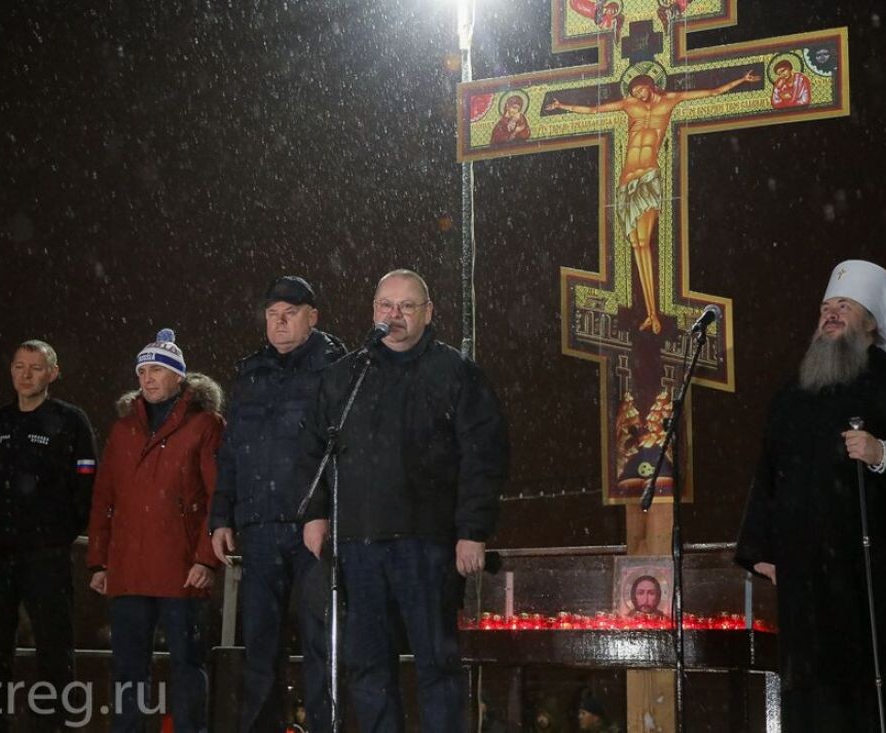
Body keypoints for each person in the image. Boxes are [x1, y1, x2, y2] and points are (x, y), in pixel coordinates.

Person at [735, 260, 886, 732]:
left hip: (879, 583)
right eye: (825, 307)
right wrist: (762, 549)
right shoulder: (793, 392)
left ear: (872, 322)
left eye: (844, 305)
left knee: (880, 701)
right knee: (816, 704)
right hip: (809, 589)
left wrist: (884, 455)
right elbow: (769, 472)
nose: (831, 314)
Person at [297, 269, 509, 733]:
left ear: (428, 313)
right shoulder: (345, 377)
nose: (394, 315)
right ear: (373, 310)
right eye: (385, 305)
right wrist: (315, 513)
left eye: (406, 306)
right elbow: (315, 449)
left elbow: (483, 456)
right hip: (358, 544)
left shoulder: (455, 374)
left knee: (437, 663)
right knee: (367, 665)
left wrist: (473, 530)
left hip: (427, 543)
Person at [209, 276, 345, 732]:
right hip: (260, 526)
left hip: (314, 529)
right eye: (272, 314)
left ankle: (326, 726)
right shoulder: (250, 373)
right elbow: (231, 451)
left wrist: (325, 511)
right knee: (259, 647)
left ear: (313, 317)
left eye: (290, 313)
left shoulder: (337, 369)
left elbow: (344, 451)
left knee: (321, 643)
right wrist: (221, 517)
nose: (279, 322)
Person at [547, 69, 759, 334]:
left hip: (647, 177)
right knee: (635, 244)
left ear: (650, 85)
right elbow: (592, 110)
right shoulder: (629, 105)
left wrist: (741, 80)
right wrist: (562, 105)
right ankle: (650, 314)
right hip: (626, 181)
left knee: (645, 242)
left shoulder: (671, 99)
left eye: (640, 90)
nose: (638, 95)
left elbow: (712, 92)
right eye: (634, 92)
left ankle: (654, 313)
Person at [87, 329, 224, 733]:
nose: (147, 378)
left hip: (182, 567)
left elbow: (218, 495)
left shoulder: (206, 425)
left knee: (187, 664)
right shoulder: (122, 430)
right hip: (127, 568)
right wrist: (98, 561)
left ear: (179, 376)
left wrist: (206, 559)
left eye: (157, 370)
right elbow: (104, 498)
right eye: (142, 371)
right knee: (127, 669)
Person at [0, 340, 97, 732]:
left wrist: (63, 528)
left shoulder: (70, 421)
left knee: (54, 645)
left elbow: (86, 479)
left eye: (36, 368)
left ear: (53, 373)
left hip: (47, 552)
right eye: (19, 366)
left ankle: (55, 724)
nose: (26, 375)